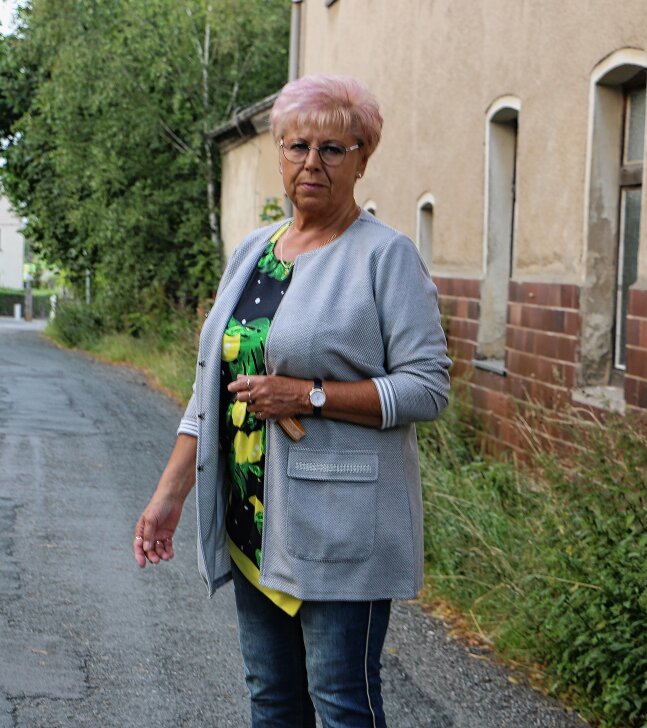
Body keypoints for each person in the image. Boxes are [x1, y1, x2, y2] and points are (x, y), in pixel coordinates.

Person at [132, 74, 451, 728]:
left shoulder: (386, 257)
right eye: (297, 145)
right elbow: (209, 388)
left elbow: (427, 388)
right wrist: (170, 495)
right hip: (255, 516)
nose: (312, 163)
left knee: (341, 704)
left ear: (363, 158)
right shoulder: (254, 252)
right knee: (272, 701)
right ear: (278, 153)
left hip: (341, 524)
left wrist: (307, 395)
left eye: (334, 149)